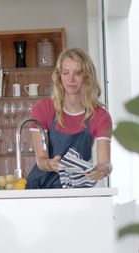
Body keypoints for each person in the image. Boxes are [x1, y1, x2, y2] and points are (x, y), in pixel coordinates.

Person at [26, 47, 112, 189]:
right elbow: (41, 160)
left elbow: (105, 163)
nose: (71, 79)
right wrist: (50, 164)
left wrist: (103, 170)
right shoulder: (43, 108)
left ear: (87, 76)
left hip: (76, 190)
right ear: (59, 76)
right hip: (40, 189)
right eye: (66, 73)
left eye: (77, 73)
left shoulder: (100, 116)